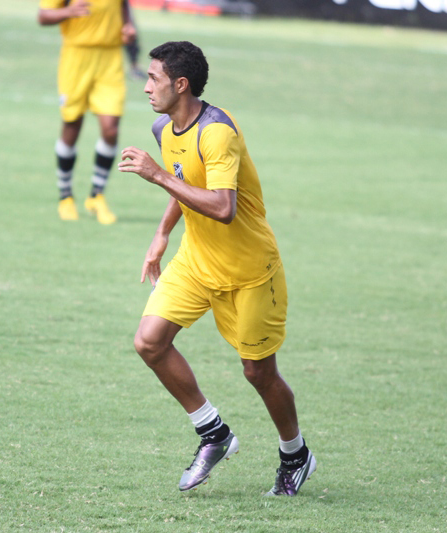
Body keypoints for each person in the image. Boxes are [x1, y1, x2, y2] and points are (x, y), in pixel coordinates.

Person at [118, 41, 316, 495]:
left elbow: (224, 207)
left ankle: (296, 454)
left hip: (249, 270)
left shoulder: (217, 132)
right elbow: (186, 179)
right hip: (197, 261)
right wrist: (163, 233)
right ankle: (214, 433)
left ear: (180, 84)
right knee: (149, 342)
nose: (146, 86)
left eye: (154, 78)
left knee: (258, 373)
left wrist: (157, 176)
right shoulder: (164, 127)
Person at [38, 0, 137, 225]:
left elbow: (123, 5)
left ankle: (96, 196)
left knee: (111, 130)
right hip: (77, 56)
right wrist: (68, 11)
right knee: (72, 124)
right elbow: (43, 16)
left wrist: (128, 26)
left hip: (110, 57)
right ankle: (65, 197)